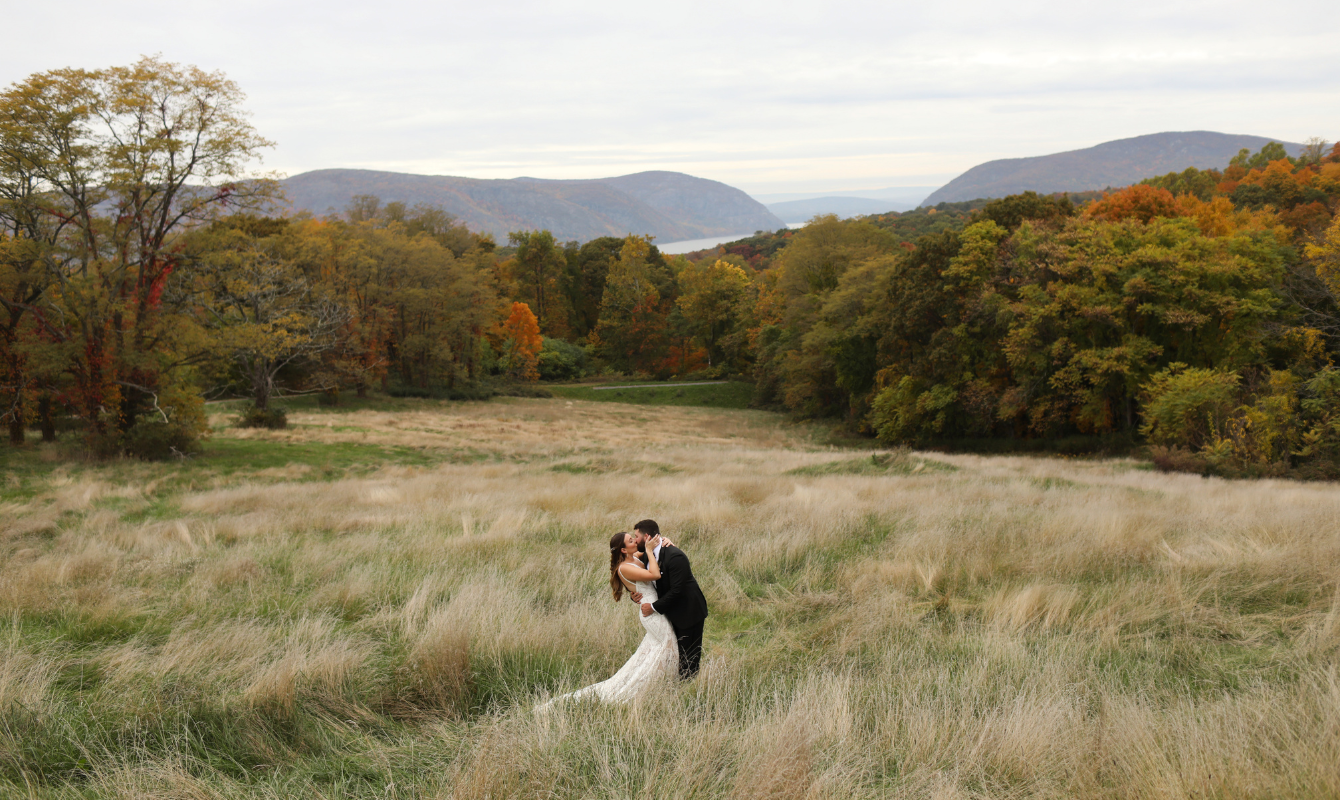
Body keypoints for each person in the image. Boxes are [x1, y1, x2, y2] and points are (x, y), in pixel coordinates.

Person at [537, 530, 678, 708]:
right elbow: (655, 575)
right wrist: (649, 551)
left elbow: (658, 548)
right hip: (650, 612)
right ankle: (648, 690)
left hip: (655, 607)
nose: (635, 540)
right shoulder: (624, 567)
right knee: (668, 646)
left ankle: (660, 687)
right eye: (630, 540)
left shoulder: (635, 557)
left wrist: (665, 540)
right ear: (623, 550)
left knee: (658, 650)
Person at [629, 519, 708, 679]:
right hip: (668, 613)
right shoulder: (646, 556)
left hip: (688, 613)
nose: (635, 539)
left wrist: (653, 607)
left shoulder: (675, 556)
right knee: (673, 655)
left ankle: (689, 691)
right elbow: (647, 584)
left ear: (647, 537)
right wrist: (634, 595)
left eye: (636, 536)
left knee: (689, 659)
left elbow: (677, 591)